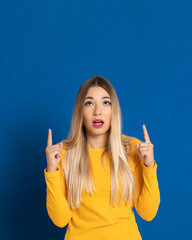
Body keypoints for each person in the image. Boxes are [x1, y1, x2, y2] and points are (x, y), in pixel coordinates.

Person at [44, 76, 160, 240]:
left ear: (114, 110)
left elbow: (148, 213)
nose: (97, 111)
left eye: (106, 103)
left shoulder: (132, 149)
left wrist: (149, 166)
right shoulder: (63, 153)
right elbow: (60, 220)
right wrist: (52, 170)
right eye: (89, 103)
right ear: (80, 111)